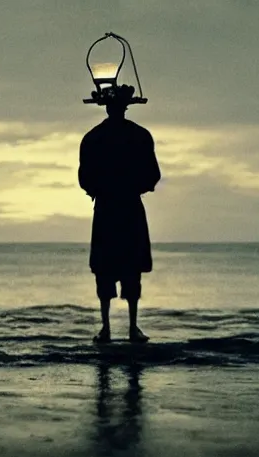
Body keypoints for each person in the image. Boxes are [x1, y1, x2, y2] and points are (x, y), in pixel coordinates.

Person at [78, 85, 161, 344]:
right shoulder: (140, 136)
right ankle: (132, 328)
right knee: (130, 269)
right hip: (129, 208)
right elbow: (153, 176)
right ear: (126, 107)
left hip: (105, 209)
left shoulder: (93, 138)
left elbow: (84, 179)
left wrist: (102, 189)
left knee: (105, 271)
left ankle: (106, 329)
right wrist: (132, 187)